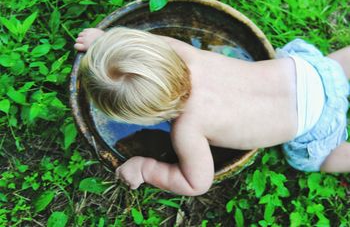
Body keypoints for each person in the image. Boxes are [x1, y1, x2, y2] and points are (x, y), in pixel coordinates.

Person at [75, 27, 350, 196]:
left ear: (148, 116)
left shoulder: (188, 129)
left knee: (317, 160)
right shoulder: (182, 53)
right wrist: (105, 42)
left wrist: (146, 168)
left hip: (316, 122)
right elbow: (147, 50)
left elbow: (197, 183)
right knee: (336, 69)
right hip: (311, 73)